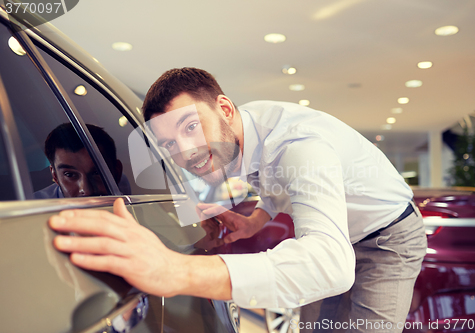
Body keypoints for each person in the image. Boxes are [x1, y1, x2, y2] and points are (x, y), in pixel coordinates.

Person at [49, 68, 427, 332]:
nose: (186, 153)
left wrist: (176, 271)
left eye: (191, 127)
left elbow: (331, 263)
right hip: (337, 235)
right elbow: (275, 187)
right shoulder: (235, 140)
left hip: (387, 237)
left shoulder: (299, 145)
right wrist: (254, 221)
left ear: (225, 110)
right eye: (168, 144)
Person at [35, 123, 126, 198]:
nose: (86, 191)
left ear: (117, 172)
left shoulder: (124, 186)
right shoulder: (34, 213)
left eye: (97, 173)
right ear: (55, 176)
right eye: (70, 175)